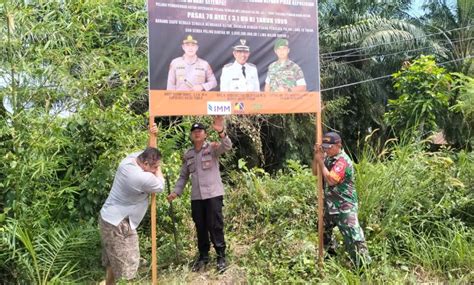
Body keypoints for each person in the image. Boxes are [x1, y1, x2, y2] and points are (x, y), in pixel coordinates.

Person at [99, 125, 164, 284]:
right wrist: (158, 169)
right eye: (154, 167)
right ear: (146, 164)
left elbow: (147, 150)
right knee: (128, 265)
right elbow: (160, 185)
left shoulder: (130, 160)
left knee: (113, 263)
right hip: (118, 224)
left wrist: (152, 136)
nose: (156, 169)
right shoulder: (138, 177)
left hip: (109, 218)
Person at [167, 116, 232, 273]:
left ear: (205, 135)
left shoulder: (212, 148)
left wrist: (221, 131)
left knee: (215, 226)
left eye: (200, 131)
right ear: (191, 136)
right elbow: (183, 176)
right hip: (197, 197)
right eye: (194, 131)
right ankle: (203, 256)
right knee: (200, 227)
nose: (197, 133)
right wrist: (176, 191)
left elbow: (227, 146)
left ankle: (221, 256)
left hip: (213, 195)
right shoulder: (188, 154)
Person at [312, 132, 371, 267]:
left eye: (329, 147)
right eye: (324, 147)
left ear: (339, 145)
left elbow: (331, 179)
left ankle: (363, 266)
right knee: (323, 230)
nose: (326, 149)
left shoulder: (343, 161)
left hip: (345, 206)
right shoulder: (327, 157)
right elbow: (315, 172)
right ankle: (329, 258)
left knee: (353, 236)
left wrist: (321, 161)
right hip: (330, 205)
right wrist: (316, 158)